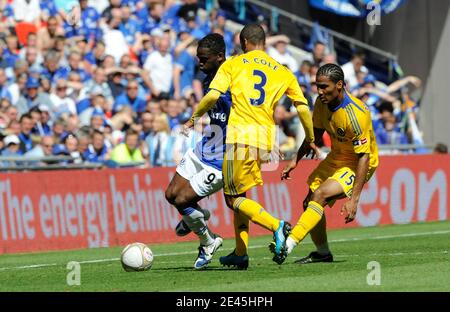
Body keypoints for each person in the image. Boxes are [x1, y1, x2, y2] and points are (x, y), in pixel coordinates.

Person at [183, 24, 318, 267]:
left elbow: (213, 95)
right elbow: (303, 107)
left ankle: (276, 226)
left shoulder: (233, 64)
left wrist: (194, 117)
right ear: (263, 42)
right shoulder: (283, 71)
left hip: (240, 137)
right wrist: (310, 138)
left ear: (244, 43)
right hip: (266, 140)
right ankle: (240, 252)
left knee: (232, 199)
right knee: (239, 194)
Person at [276, 63, 379, 264]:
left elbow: (363, 157)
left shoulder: (356, 114)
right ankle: (323, 253)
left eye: (325, 87)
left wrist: (354, 200)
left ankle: (287, 244)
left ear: (339, 85)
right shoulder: (321, 103)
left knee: (320, 194)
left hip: (357, 162)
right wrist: (295, 160)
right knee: (309, 202)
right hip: (336, 156)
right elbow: (314, 135)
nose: (320, 91)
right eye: (317, 86)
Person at [165, 33, 231, 270]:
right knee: (171, 194)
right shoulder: (207, 80)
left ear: (220, 57)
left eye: (204, 59)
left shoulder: (234, 81)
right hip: (204, 147)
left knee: (183, 199)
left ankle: (208, 242)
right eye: (198, 59)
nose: (199, 63)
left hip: (224, 157)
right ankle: (197, 218)